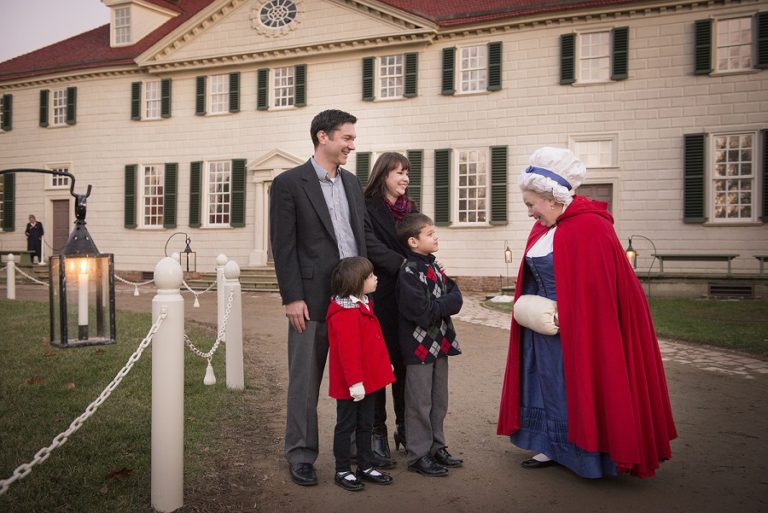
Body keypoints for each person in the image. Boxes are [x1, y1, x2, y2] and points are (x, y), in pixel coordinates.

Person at [497, 147, 677, 478]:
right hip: (544, 330)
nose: (528, 213)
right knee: (547, 384)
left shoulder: (592, 228)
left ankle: (588, 456)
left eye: (530, 204)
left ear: (551, 198)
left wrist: (576, 315)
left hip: (584, 332)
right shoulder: (543, 228)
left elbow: (601, 295)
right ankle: (551, 445)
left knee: (579, 384)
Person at [269, 109, 367, 487]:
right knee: (304, 381)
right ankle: (301, 453)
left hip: (354, 299)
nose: (351, 145)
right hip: (309, 301)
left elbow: (359, 236)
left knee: (359, 377)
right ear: (323, 137)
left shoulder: (353, 184)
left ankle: (356, 454)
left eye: (353, 138)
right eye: (346, 138)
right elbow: (284, 245)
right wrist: (292, 297)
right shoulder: (289, 183)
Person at [396, 212, 464, 476]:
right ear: (413, 241)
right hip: (419, 348)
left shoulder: (434, 266)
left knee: (439, 400)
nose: (436, 237)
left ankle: (437, 447)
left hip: (440, 344)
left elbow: (456, 296)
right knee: (419, 402)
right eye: (430, 234)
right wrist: (442, 305)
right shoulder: (409, 272)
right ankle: (418, 454)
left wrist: (441, 305)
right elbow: (421, 312)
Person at [327, 256, 396, 491]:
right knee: (346, 426)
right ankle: (342, 469)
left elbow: (373, 342)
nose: (375, 278)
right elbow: (349, 352)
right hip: (352, 383)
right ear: (357, 282)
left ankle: (365, 465)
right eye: (370, 276)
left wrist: (384, 365)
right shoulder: (344, 313)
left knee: (366, 423)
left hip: (369, 380)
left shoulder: (364, 303)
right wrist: (355, 382)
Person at [363, 152, 415, 463]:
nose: (405, 178)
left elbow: (420, 240)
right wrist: (404, 263)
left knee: (406, 364)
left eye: (407, 173)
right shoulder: (367, 207)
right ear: (384, 175)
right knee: (379, 367)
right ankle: (377, 433)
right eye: (399, 172)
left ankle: (407, 429)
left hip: (407, 297)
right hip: (380, 294)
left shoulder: (411, 209)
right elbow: (369, 243)